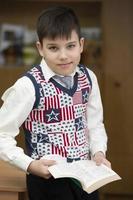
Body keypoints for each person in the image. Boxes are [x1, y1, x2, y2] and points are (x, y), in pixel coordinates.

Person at [0, 6, 111, 200]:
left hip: (86, 176)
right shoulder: (28, 86)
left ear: (81, 44)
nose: (63, 55)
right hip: (48, 181)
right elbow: (1, 134)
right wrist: (29, 165)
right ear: (40, 48)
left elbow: (94, 123)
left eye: (70, 46)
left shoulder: (89, 78)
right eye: (53, 47)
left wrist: (99, 152)